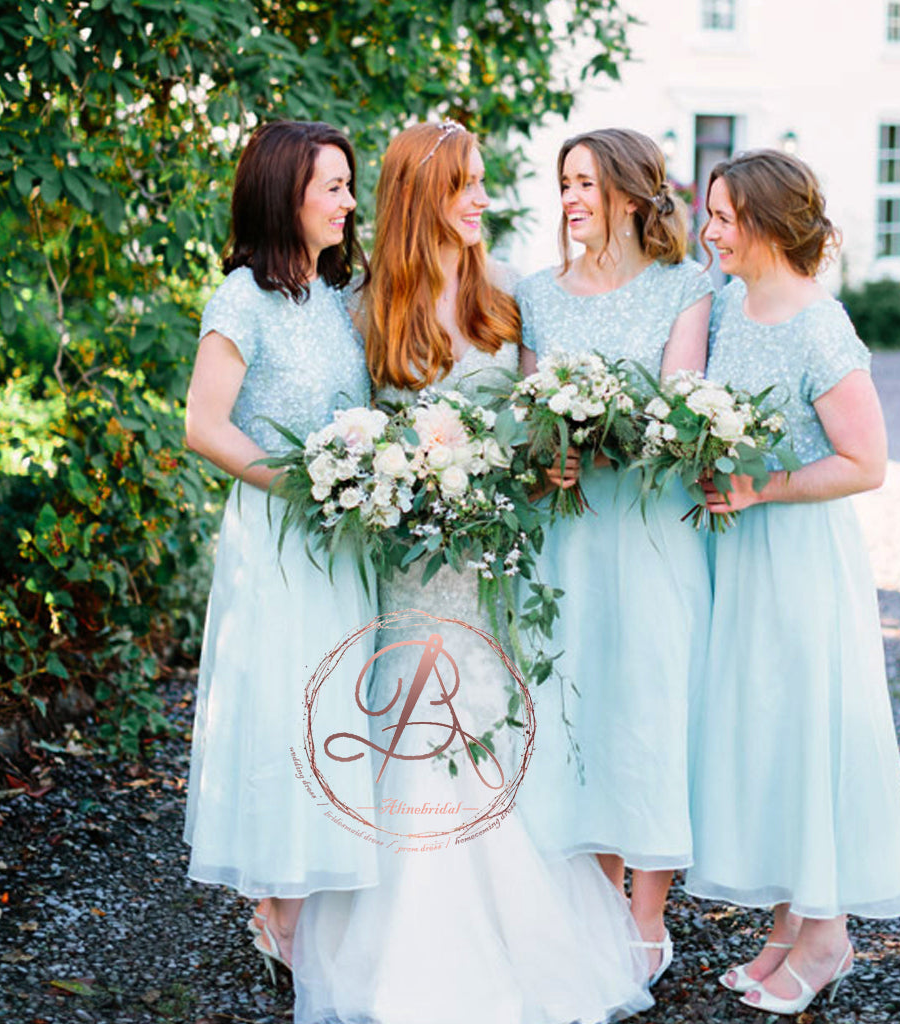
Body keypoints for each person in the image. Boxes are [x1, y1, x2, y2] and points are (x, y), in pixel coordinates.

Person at [291, 120, 653, 1024]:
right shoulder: (363, 310)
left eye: (483, 180)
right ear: (421, 199)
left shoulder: (507, 300)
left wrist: (550, 461)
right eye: (464, 185)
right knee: (413, 728)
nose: (482, 199)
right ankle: (406, 954)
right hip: (409, 571)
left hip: (492, 565)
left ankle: (530, 951)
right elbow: (343, 439)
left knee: (491, 724)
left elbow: (534, 431)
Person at [685, 149, 900, 1014]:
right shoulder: (728, 306)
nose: (707, 230)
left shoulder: (820, 325)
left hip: (798, 560)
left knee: (807, 729)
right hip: (741, 558)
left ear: (764, 223)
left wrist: (763, 487)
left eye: (720, 216)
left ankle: (827, 934)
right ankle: (788, 925)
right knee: (768, 731)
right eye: (707, 213)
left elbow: (868, 461)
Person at [514, 127, 713, 987]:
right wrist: (544, 452)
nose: (571, 199)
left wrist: (606, 429)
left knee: (649, 702)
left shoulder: (687, 287)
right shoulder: (535, 293)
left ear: (632, 195)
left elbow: (678, 405)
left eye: (587, 183)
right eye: (564, 182)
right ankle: (595, 901)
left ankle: (645, 914)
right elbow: (527, 412)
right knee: (578, 705)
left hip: (648, 528)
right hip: (566, 537)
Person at [182, 121, 379, 976]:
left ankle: (309, 897)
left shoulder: (336, 299)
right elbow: (203, 427)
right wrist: (303, 484)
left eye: (347, 185)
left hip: (346, 541)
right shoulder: (241, 299)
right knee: (285, 706)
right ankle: (277, 909)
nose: (346, 203)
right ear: (283, 194)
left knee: (337, 706)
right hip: (280, 531)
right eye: (331, 187)